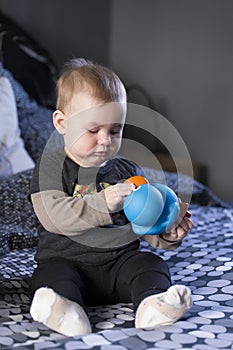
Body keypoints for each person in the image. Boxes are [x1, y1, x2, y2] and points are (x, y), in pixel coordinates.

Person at [29, 58, 194, 337]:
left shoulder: (127, 171)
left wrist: (167, 233)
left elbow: (142, 224)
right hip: (67, 262)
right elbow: (54, 216)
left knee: (151, 264)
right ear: (62, 123)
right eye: (93, 130)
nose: (105, 140)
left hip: (118, 265)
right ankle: (65, 311)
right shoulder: (51, 168)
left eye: (115, 130)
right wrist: (103, 203)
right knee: (49, 278)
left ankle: (152, 305)